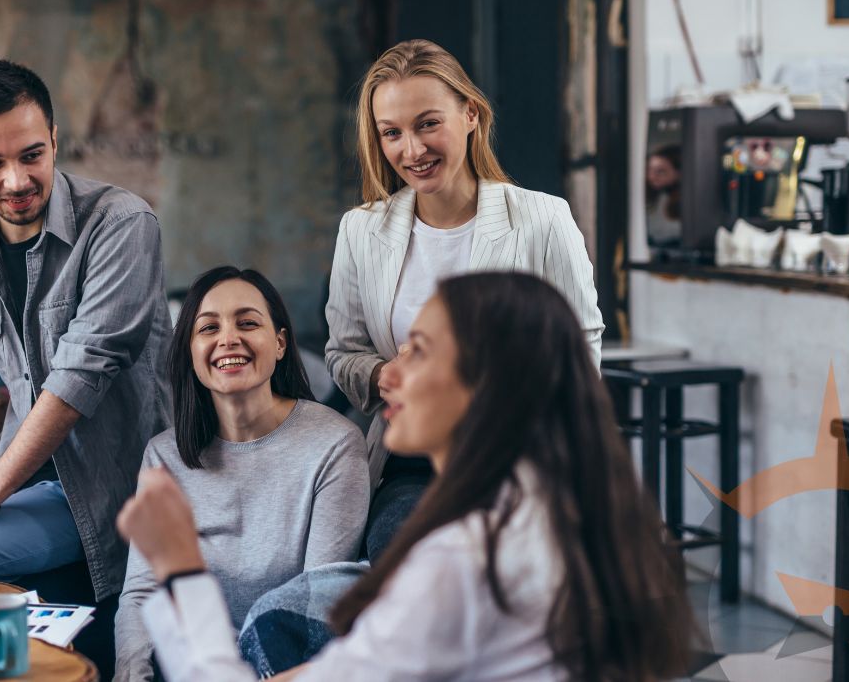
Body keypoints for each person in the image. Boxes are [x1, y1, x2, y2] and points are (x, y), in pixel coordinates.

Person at [118, 271, 691, 681]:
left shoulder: (463, 560)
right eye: (206, 328)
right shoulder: (549, 511)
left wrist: (182, 572)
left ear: (484, 383)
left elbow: (314, 615)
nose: (387, 377)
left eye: (416, 351)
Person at [325, 38, 606, 560]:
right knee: (410, 555)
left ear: (470, 114)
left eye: (428, 124)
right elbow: (343, 352)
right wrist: (381, 375)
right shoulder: (361, 231)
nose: (412, 150)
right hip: (411, 464)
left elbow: (580, 346)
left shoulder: (543, 219)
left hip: (520, 455)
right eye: (392, 133)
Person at [0, 59, 172, 609]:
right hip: (11, 483)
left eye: (32, 155)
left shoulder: (121, 223)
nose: (17, 181)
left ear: (55, 140)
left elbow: (77, 378)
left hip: (108, 486)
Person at [115, 267, 370, 680]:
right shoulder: (163, 454)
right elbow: (142, 592)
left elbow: (311, 609)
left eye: (248, 323)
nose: (228, 339)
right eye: (208, 328)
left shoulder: (334, 444)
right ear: (190, 351)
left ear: (281, 343)